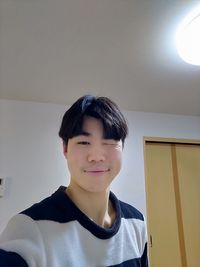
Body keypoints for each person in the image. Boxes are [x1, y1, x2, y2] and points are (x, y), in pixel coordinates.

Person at [0, 95, 148, 267]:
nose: (97, 157)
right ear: (65, 149)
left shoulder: (137, 222)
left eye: (109, 142)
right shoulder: (28, 230)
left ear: (123, 147)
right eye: (84, 142)